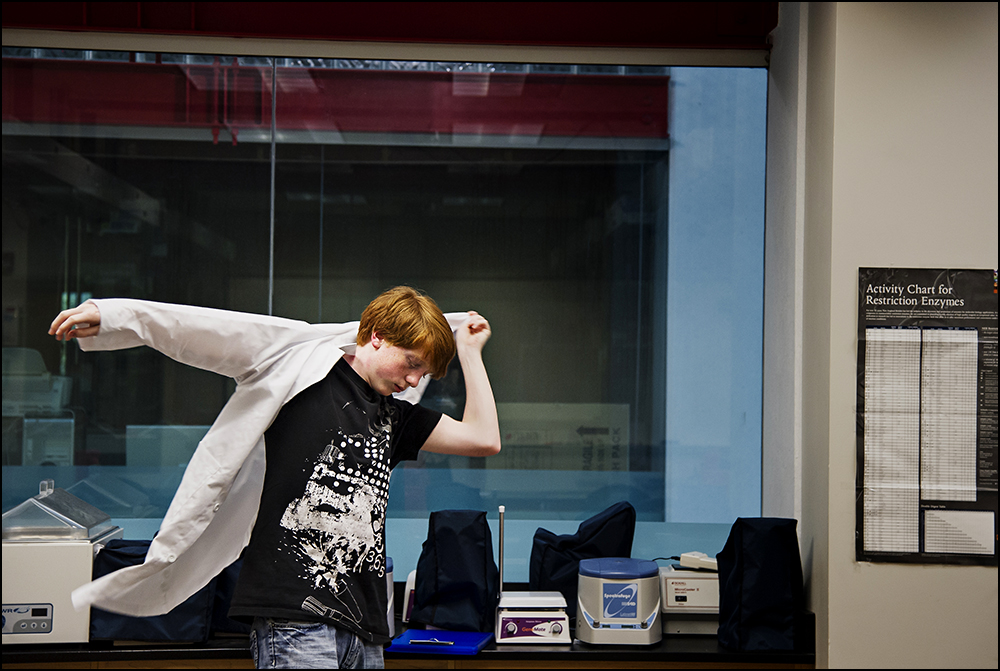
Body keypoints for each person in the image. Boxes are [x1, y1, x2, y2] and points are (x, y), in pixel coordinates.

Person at [49, 287, 501, 669]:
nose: (414, 379)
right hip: (294, 617)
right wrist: (112, 314)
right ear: (377, 337)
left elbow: (484, 439)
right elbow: (209, 330)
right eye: (411, 362)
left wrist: (470, 355)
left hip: (363, 625)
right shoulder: (299, 364)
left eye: (424, 372)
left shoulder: (394, 418)